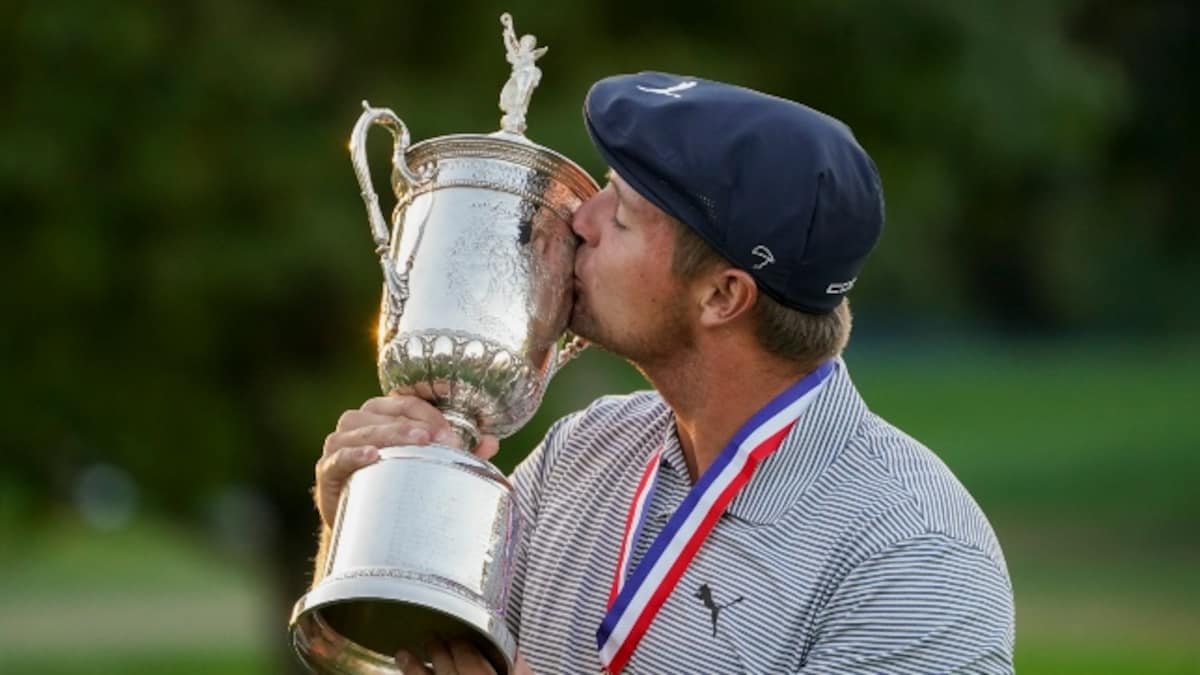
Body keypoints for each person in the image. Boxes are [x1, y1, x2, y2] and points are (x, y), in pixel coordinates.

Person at [313, 72, 1015, 674]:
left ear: (722, 296)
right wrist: (375, 539)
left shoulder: (913, 559)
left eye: (621, 212)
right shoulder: (580, 454)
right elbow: (408, 656)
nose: (576, 219)